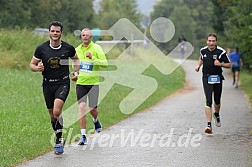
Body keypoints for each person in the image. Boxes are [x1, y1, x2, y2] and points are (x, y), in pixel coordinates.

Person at [30, 21, 80, 155]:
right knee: (52, 115)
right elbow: (32, 65)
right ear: (49, 32)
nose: (55, 33)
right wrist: (37, 68)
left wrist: (76, 72)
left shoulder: (68, 48)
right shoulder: (41, 49)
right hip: (47, 84)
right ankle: (60, 137)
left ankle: (58, 142)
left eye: (57, 31)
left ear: (61, 33)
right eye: (53, 31)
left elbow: (76, 60)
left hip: (62, 82)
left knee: (57, 111)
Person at [74, 28, 108, 145]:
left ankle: (95, 120)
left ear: (91, 37)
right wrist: (75, 74)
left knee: (92, 109)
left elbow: (105, 63)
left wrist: (92, 59)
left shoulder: (97, 48)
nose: (84, 37)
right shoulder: (77, 50)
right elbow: (75, 66)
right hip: (81, 83)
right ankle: (83, 135)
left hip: (93, 83)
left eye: (87, 35)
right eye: (83, 35)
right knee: (82, 108)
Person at [195, 33, 231, 134]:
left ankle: (217, 114)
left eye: (213, 41)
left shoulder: (221, 52)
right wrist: (198, 66)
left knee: (217, 100)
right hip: (206, 77)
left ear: (216, 42)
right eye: (209, 41)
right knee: (208, 100)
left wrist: (221, 64)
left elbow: (229, 64)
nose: (211, 43)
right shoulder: (203, 50)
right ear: (207, 41)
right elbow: (201, 58)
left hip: (217, 77)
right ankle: (209, 125)